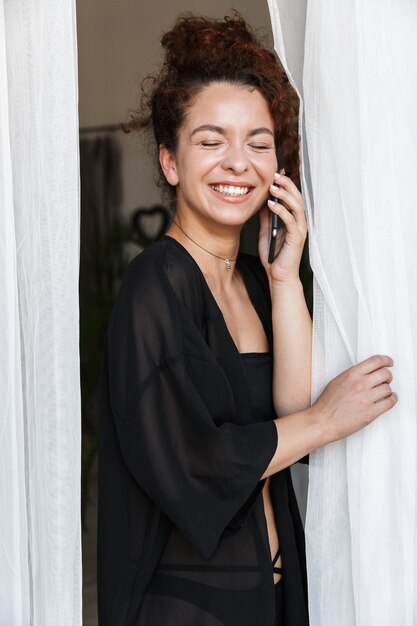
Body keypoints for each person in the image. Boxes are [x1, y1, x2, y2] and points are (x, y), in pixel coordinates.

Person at [97, 13, 397, 626]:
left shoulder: (256, 279)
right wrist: (325, 421)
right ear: (171, 162)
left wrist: (285, 278)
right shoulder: (155, 283)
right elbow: (191, 462)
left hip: (274, 591)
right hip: (185, 604)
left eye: (258, 143)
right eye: (211, 141)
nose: (239, 162)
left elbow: (289, 411)